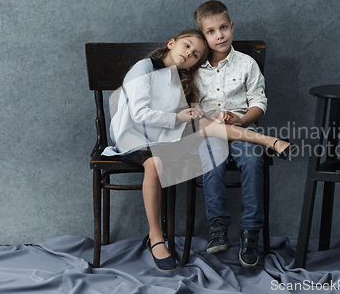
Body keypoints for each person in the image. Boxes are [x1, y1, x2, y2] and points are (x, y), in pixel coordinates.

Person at [102, 28, 296, 271]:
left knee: (206, 124)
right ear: (171, 43)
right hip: (133, 136)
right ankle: (156, 236)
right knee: (155, 164)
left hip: (160, 134)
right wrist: (179, 117)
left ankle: (271, 142)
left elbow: (172, 111)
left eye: (195, 55)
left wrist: (191, 114)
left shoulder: (176, 77)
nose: (189, 54)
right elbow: (138, 114)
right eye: (186, 46)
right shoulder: (145, 68)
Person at [193, 0, 275, 268]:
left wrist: (239, 119)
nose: (219, 36)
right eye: (211, 31)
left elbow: (258, 102)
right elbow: (192, 109)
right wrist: (209, 118)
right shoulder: (196, 69)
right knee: (212, 161)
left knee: (253, 160)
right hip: (211, 133)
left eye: (224, 28)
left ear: (232, 27)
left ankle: (251, 231)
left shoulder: (246, 64)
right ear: (203, 36)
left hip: (243, 130)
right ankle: (218, 226)